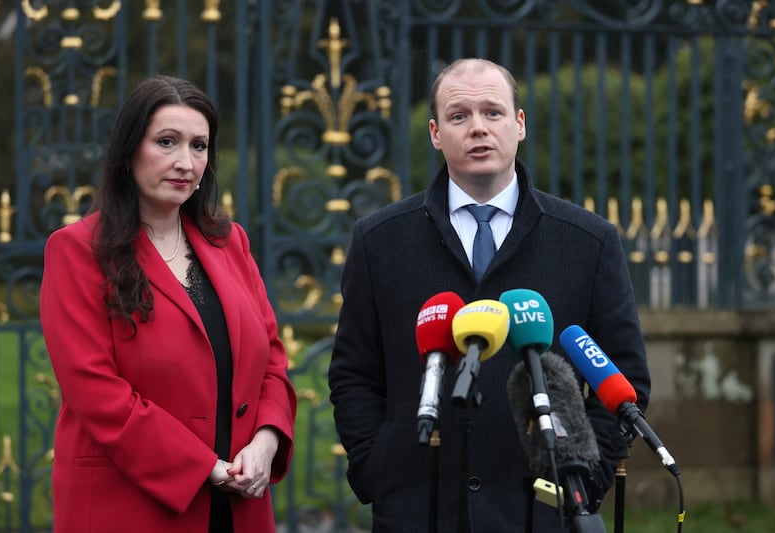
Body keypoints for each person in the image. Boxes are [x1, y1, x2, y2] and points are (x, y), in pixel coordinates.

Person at [328, 58, 651, 532]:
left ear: (519, 124)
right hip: (417, 510)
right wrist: (376, 468)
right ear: (436, 133)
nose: (478, 127)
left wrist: (583, 478)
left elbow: (623, 378)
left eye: (493, 112)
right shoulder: (380, 240)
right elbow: (353, 372)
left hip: (540, 512)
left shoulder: (588, 241)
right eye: (459, 116)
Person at [40, 75, 297, 533]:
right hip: (130, 507)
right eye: (166, 142)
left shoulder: (229, 241)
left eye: (199, 146)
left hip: (239, 507)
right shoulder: (77, 250)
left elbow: (273, 362)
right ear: (127, 152)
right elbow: (95, 391)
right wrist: (204, 467)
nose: (185, 162)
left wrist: (267, 440)